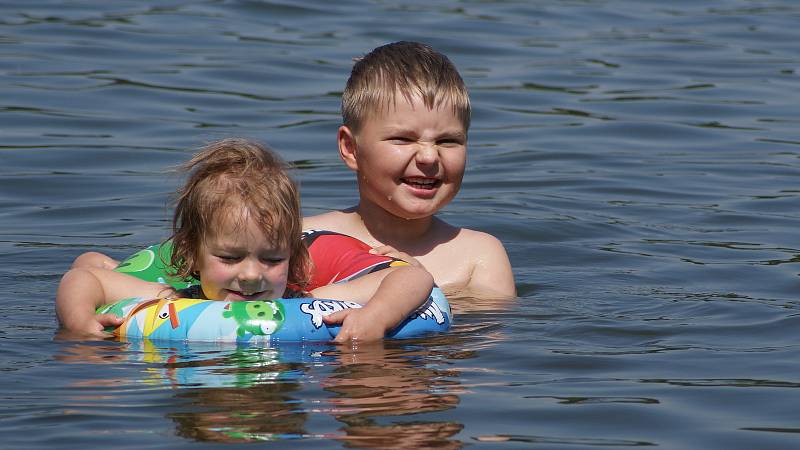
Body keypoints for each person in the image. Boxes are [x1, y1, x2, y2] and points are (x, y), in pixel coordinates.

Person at [56, 138, 434, 342]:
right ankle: (104, 257)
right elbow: (82, 281)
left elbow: (414, 278)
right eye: (230, 258)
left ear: (294, 258)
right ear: (192, 254)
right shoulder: (171, 298)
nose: (252, 276)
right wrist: (79, 323)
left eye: (271, 259)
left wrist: (377, 316)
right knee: (90, 265)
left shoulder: (306, 303)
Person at [303, 41, 516, 300]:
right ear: (350, 148)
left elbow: (488, 333)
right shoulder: (303, 239)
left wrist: (416, 287)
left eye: (448, 141)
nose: (429, 156)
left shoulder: (479, 256)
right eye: (403, 139)